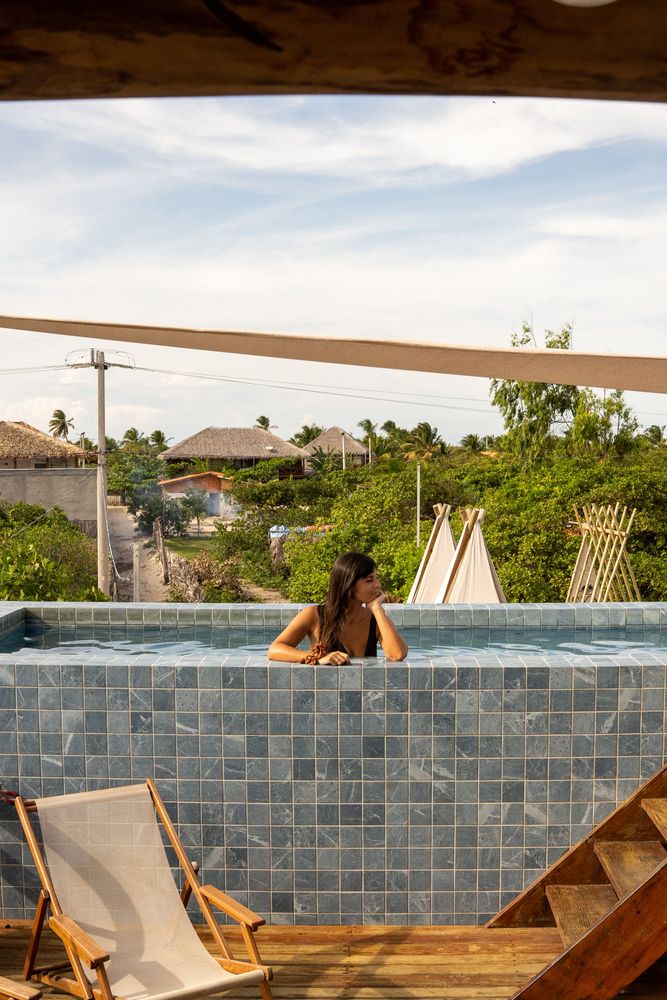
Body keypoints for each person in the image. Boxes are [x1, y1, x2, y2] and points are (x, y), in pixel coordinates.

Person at [268, 551, 408, 664]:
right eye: (369, 580)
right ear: (349, 585)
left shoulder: (375, 619)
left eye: (376, 578)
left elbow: (397, 654)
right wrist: (318, 657)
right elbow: (275, 649)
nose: (378, 585)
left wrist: (377, 609)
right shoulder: (314, 615)